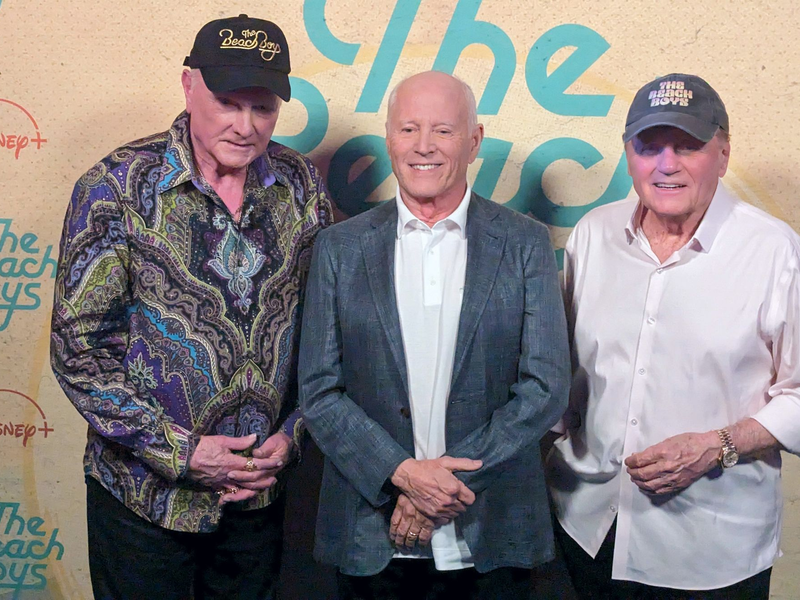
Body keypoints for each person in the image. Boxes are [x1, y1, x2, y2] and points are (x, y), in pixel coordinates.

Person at [50, 14, 331, 600]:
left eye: (262, 108)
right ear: (188, 85)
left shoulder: (302, 187)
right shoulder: (116, 188)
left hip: (258, 501)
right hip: (143, 502)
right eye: (228, 102)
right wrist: (181, 454)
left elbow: (328, 336)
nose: (245, 125)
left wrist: (293, 436)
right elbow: (78, 354)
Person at [298, 70, 570, 600]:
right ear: (389, 140)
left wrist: (443, 487)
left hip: (492, 536)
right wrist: (401, 474)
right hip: (369, 533)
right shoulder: (339, 248)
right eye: (409, 129)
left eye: (444, 131)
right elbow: (319, 391)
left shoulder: (525, 244)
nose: (424, 146)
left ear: (474, 141)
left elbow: (546, 387)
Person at [547, 73, 800, 599]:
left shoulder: (774, 251)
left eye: (687, 146)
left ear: (723, 153)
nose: (666, 164)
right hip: (585, 530)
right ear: (628, 153)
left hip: (710, 553)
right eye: (649, 146)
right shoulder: (592, 234)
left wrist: (718, 445)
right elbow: (557, 370)